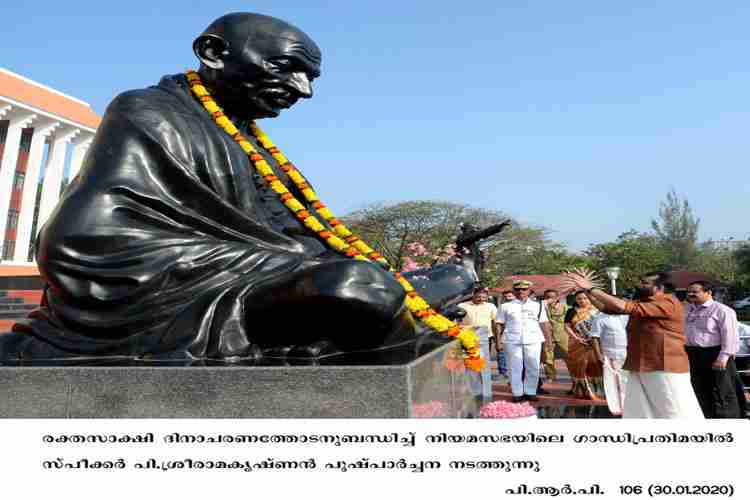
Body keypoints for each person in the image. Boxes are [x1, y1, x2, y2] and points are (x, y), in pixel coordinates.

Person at [4, 12, 492, 362]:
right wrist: (290, 260)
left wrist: (300, 257)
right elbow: (80, 242)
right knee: (359, 288)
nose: (304, 90)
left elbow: (292, 231)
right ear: (213, 53)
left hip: (260, 278)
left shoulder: (245, 138)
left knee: (383, 283)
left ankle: (445, 283)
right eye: (287, 68)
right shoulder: (148, 112)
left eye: (310, 77)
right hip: (182, 295)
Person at [564, 269, 703, 419]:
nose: (640, 285)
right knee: (639, 409)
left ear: (659, 287)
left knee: (672, 408)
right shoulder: (645, 302)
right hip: (640, 364)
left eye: (645, 283)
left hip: (663, 365)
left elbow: (623, 306)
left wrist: (591, 288)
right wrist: (586, 290)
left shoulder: (668, 302)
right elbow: (607, 308)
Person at [684, 281, 742, 418]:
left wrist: (723, 357)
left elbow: (730, 336)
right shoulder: (687, 309)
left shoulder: (722, 310)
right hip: (693, 354)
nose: (690, 294)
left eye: (695, 292)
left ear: (708, 292)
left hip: (716, 354)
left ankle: (731, 422)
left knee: (724, 390)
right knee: (700, 389)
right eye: (689, 291)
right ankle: (707, 418)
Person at [496, 280, 552, 402]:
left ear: (529, 291)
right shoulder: (505, 306)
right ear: (514, 291)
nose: (521, 291)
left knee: (533, 366)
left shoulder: (538, 305)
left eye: (524, 289)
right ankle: (517, 393)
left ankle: (530, 391)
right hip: (512, 340)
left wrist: (549, 341)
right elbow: (499, 324)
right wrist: (498, 341)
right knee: (514, 367)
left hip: (533, 339)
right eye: (518, 289)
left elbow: (544, 323)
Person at [458, 287, 499, 402]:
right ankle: (473, 391)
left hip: (486, 338)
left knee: (484, 365)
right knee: (470, 365)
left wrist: (497, 339)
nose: (481, 299)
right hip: (467, 338)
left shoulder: (491, 306)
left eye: (484, 297)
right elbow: (456, 321)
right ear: (473, 295)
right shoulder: (462, 306)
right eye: (478, 296)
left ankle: (486, 392)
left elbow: (496, 322)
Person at [563, 291, 603, 400]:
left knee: (595, 365)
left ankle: (597, 391)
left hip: (595, 343)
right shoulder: (571, 311)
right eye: (579, 299)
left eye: (585, 298)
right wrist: (577, 338)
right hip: (578, 343)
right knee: (579, 367)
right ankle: (582, 391)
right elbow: (567, 326)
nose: (583, 301)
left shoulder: (597, 310)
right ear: (576, 300)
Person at [589, 310, 629, 415]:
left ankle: (628, 406)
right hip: (610, 355)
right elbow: (594, 337)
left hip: (627, 354)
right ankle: (616, 408)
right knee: (612, 383)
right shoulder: (600, 318)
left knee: (627, 382)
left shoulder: (626, 316)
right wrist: (598, 355)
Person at [540, 289, 571, 389]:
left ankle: (573, 374)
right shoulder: (542, 308)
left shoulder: (565, 307)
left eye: (552, 297)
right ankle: (551, 376)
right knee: (548, 357)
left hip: (563, 334)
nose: (550, 299)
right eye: (547, 297)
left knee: (568, 355)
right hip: (547, 334)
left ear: (557, 297)